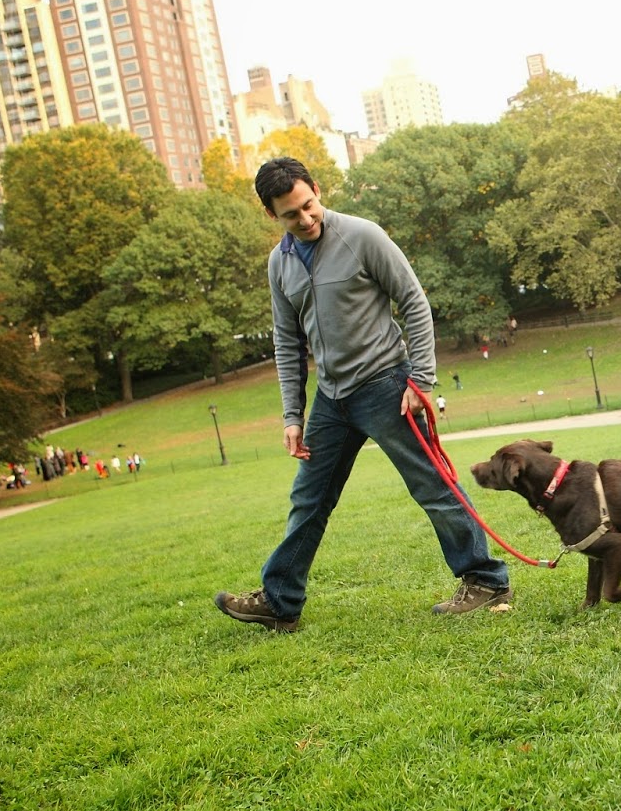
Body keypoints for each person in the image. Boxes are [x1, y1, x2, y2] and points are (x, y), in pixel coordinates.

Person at [214, 157, 512, 632]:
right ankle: (280, 600)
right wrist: (292, 415)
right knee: (308, 500)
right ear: (273, 216)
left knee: (432, 487)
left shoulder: (362, 236)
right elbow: (287, 342)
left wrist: (421, 381)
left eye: (309, 206)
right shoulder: (280, 263)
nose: (306, 219)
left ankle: (486, 580)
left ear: (316, 189)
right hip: (330, 401)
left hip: (386, 385)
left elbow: (413, 300)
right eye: (292, 215)